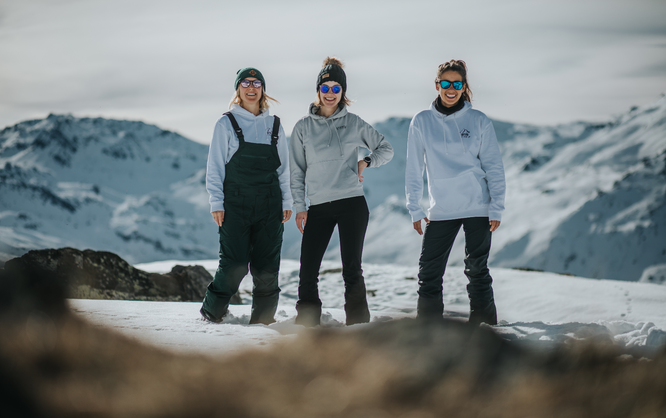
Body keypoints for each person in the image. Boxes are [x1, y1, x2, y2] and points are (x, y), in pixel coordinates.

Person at [289, 57, 394, 327]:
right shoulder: (302, 128)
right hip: (318, 207)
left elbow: (386, 148)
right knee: (308, 270)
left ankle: (358, 326)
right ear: (318, 90)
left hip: (352, 203)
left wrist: (366, 161)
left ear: (343, 92)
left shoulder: (354, 123)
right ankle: (307, 322)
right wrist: (300, 207)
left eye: (337, 89)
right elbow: (297, 170)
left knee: (352, 270)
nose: (331, 94)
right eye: (326, 88)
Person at [405, 59, 506, 325]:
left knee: (477, 271)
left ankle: (484, 330)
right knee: (429, 273)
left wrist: (496, 205)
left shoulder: (478, 120)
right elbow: (414, 168)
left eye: (457, 84)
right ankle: (427, 331)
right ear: (437, 85)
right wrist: (414, 207)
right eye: (446, 83)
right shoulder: (421, 121)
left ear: (464, 87)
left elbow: (494, 166)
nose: (451, 89)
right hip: (441, 210)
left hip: (477, 205)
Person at [200, 67, 293, 325]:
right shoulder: (226, 123)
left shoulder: (274, 125)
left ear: (263, 90)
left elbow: (283, 169)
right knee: (234, 264)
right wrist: (216, 202)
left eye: (256, 83)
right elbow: (215, 167)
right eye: (245, 83)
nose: (251, 88)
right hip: (235, 205)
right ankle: (211, 314)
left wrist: (287, 201)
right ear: (238, 89)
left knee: (266, 267)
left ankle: (262, 322)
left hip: (269, 205)